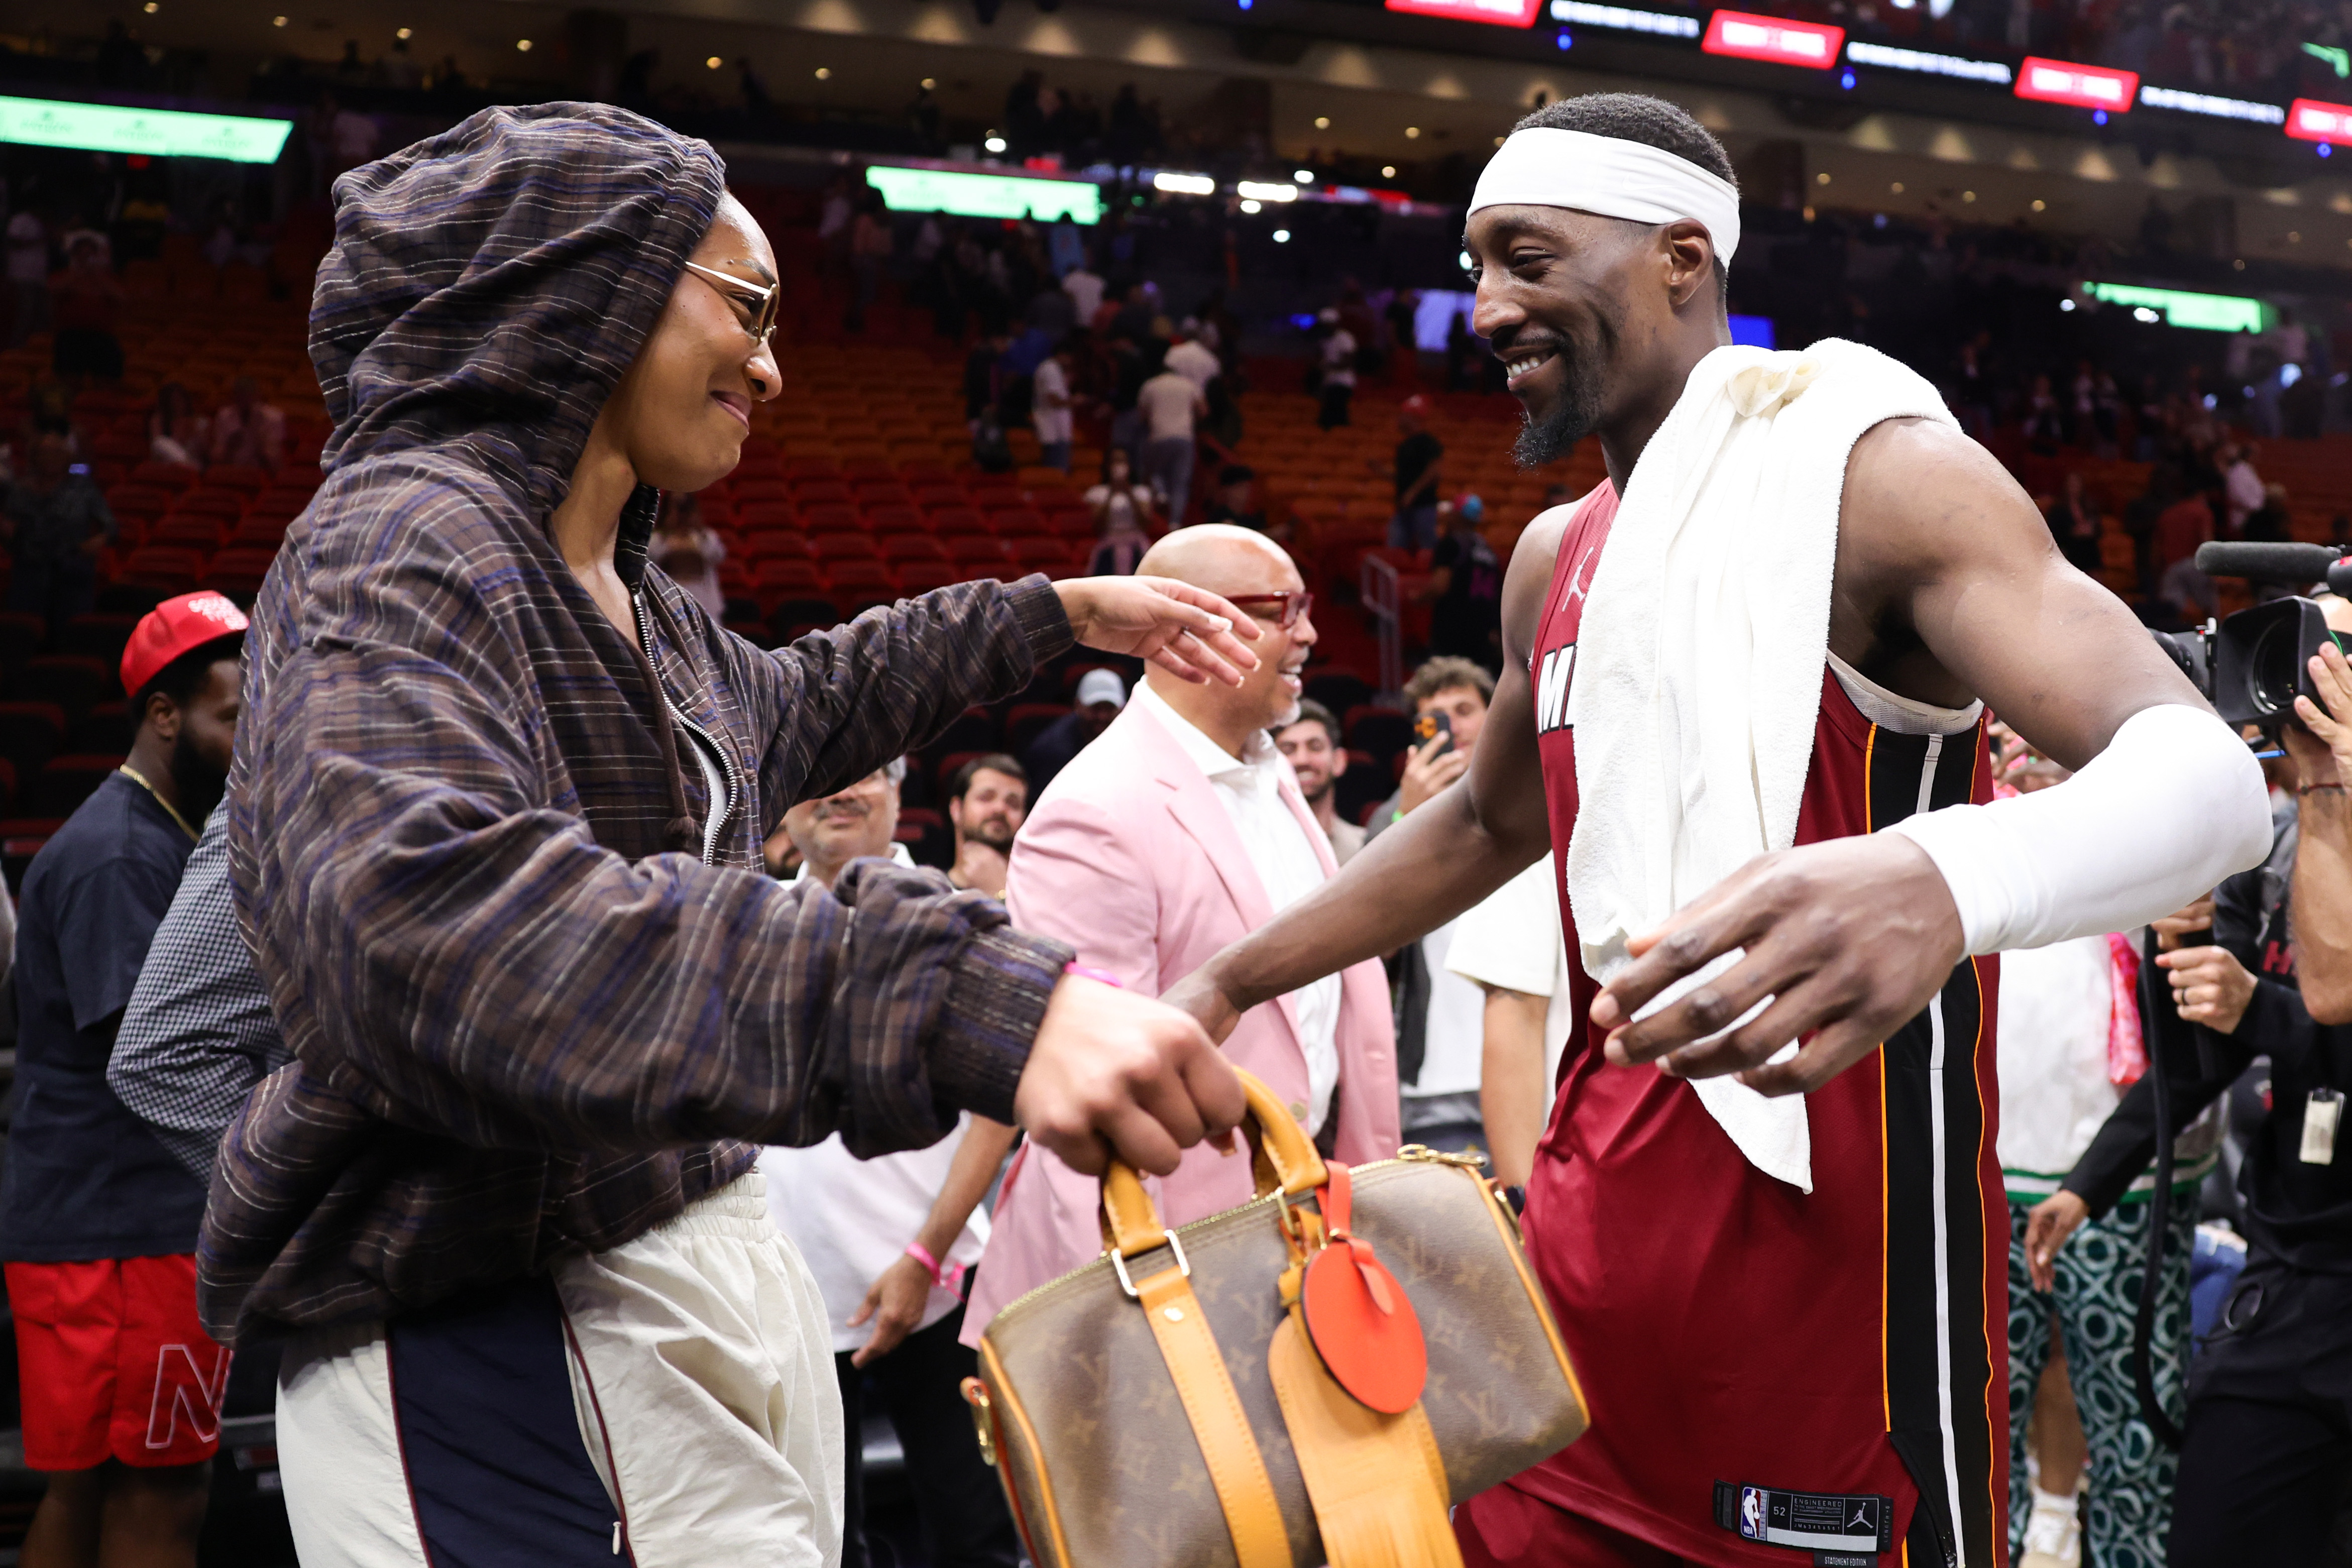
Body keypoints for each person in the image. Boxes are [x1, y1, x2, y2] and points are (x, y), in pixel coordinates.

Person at [1163, 91, 2269, 1567]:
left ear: (1683, 256)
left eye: (1527, 257)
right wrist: (1231, 977)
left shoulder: (1881, 485)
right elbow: (1485, 821)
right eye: (1475, 262)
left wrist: (1946, 871)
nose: (1485, 304)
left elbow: (2206, 782)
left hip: (1829, 1332)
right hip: (1569, 1311)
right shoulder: (1555, 555)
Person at [197, 104, 1261, 1566]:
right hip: (496, 1311)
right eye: (745, 306)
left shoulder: (631, 599)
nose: (770, 363)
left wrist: (1055, 611)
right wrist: (965, 992)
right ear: (583, 281)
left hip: (683, 1245)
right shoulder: (398, 537)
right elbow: (422, 924)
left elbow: (811, 694)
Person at [965, 525, 1398, 1333]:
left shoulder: (1268, 776)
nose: (1309, 633)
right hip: (1169, 1279)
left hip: (1295, 1232)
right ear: (1188, 628)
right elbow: (1088, 1100)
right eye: (1282, 610)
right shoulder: (1092, 811)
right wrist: (1141, 1319)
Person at [2027, 596, 2352, 1565]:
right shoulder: (2280, 835)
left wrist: (2255, 1002)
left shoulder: (2320, 808)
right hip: (2291, 1276)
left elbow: (2326, 1001)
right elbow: (2204, 1054)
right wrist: (2092, 1178)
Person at [0, 592, 246, 1568]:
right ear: (164, 715)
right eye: (231, 718)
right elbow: (157, 1058)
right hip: (121, 1236)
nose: (248, 739)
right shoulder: (118, 857)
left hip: (97, 1226)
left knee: (93, 1488)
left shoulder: (154, 836)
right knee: (160, 1495)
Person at [757, 760, 1021, 1568]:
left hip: (936, 1283)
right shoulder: (743, 921)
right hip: (789, 1303)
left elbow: (998, 1106)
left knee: (971, 1533)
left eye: (861, 770)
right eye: (815, 772)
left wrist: (923, 1254)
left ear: (901, 793)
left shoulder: (959, 916)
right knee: (819, 1544)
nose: (837, 790)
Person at [1987, 723, 2209, 1568]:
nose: (2031, 741)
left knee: (2133, 1427)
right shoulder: (1963, 824)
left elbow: (2205, 1024)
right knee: (1974, 1425)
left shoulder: (2159, 832)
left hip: (2131, 1178)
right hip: (1981, 1171)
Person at [1373, 657, 1498, 1154]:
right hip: (1436, 1076)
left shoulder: (1538, 792)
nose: (1454, 725)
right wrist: (1408, 816)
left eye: (1464, 709)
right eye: (1436, 715)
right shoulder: (1394, 814)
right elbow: (1373, 941)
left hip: (1537, 1055)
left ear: (1495, 713)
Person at [3, 422, 116, 633]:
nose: (50, 459)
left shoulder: (83, 489)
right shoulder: (21, 490)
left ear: (66, 457)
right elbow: (9, 532)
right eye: (44, 454)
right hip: (30, 572)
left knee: (69, 633)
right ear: (35, 457)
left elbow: (110, 527)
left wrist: (96, 542)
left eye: (56, 453)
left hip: (71, 571)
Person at [1275, 698, 1362, 866]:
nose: (1302, 760)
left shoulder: (1364, 848)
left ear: (1339, 761)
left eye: (1315, 747)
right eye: (1288, 750)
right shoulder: (1262, 849)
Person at [1427, 492, 1503, 668]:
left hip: (1453, 629)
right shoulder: (1488, 550)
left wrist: (1418, 597)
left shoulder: (1450, 544)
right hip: (1482, 630)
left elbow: (1440, 586)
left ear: (1457, 515)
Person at [1024, 668, 1125, 794]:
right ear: (1078, 705)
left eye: (1110, 709)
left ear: (1122, 709)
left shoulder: (1134, 743)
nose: (1102, 717)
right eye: (1096, 708)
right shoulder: (1051, 751)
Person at [1136, 359, 1206, 528]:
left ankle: (1160, 493)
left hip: (1159, 436)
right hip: (1184, 437)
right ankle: (1175, 522)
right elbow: (1204, 410)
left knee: (1154, 470)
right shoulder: (1188, 384)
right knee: (1180, 482)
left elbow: (1142, 416)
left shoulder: (1151, 385)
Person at [945, 751, 1027, 896]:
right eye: (986, 798)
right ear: (957, 809)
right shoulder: (930, 895)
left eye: (1013, 804)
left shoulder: (1037, 897)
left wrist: (999, 891)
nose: (1000, 808)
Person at [50, 235, 122, 386]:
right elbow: (54, 291)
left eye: (90, 254)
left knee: (105, 381)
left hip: (101, 336)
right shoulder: (64, 275)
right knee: (68, 380)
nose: (85, 257)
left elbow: (120, 297)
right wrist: (78, 273)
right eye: (81, 253)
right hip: (70, 336)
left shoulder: (108, 278)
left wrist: (96, 275)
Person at [650, 489, 726, 619]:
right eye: (676, 507)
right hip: (669, 598)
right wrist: (667, 533)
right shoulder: (657, 539)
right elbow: (649, 559)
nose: (681, 513)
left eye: (685, 507)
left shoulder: (704, 537)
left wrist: (699, 530)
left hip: (703, 598)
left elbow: (718, 555)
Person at [1083, 447, 1156, 576]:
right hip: (1109, 547)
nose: (1119, 466)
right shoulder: (1098, 493)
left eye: (1122, 461)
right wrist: (1112, 493)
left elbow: (1146, 523)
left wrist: (1129, 492)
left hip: (1136, 546)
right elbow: (1098, 526)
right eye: (1115, 462)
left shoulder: (1141, 492)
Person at [1391, 392, 1444, 551]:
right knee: (1396, 548)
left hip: (1424, 506)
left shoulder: (1427, 442)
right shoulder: (1404, 445)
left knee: (1427, 548)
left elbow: (1434, 472)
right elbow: (1403, 477)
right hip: (1403, 508)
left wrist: (1412, 493)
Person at [208, 376, 286, 471]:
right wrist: (230, 446)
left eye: (248, 395)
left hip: (261, 472)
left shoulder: (273, 418)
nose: (245, 400)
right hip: (231, 469)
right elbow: (216, 456)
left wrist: (257, 437)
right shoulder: (224, 416)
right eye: (240, 395)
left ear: (257, 395)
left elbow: (273, 459)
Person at [1031, 340, 1074, 473]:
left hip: (1055, 428)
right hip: (1054, 428)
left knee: (1058, 469)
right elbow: (1054, 400)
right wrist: (1075, 401)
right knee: (1057, 471)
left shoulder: (1052, 369)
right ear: (1062, 354)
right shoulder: (1051, 369)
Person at [147, 382, 208, 470]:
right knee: (160, 442)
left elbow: (204, 453)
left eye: (179, 400)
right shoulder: (159, 420)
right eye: (173, 401)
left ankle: (184, 465)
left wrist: (192, 432)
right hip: (167, 463)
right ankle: (182, 464)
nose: (177, 404)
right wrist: (178, 434)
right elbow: (156, 450)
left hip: (193, 462)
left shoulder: (200, 421)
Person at [1316, 307, 1357, 429]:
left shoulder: (1344, 337)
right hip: (1329, 381)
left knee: (1335, 413)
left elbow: (1349, 360)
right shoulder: (1323, 340)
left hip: (1343, 382)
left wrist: (1329, 365)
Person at [1203, 463, 1269, 533]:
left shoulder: (1252, 519)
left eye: (1247, 488)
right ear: (1228, 490)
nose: (1245, 492)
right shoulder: (1217, 517)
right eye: (1240, 487)